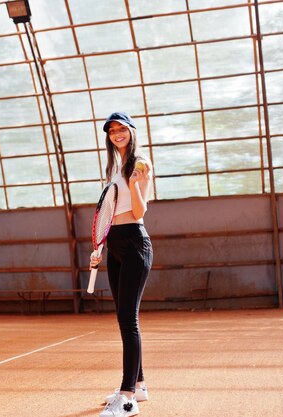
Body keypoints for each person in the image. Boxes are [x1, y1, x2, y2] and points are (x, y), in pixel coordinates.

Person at [91, 111, 153, 417]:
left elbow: (140, 212)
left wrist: (136, 183)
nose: (117, 133)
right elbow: (108, 212)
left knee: (129, 320)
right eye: (112, 130)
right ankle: (139, 385)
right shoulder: (112, 167)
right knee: (123, 317)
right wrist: (99, 248)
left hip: (134, 242)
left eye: (121, 128)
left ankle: (127, 398)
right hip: (113, 244)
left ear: (131, 131)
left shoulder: (139, 163)